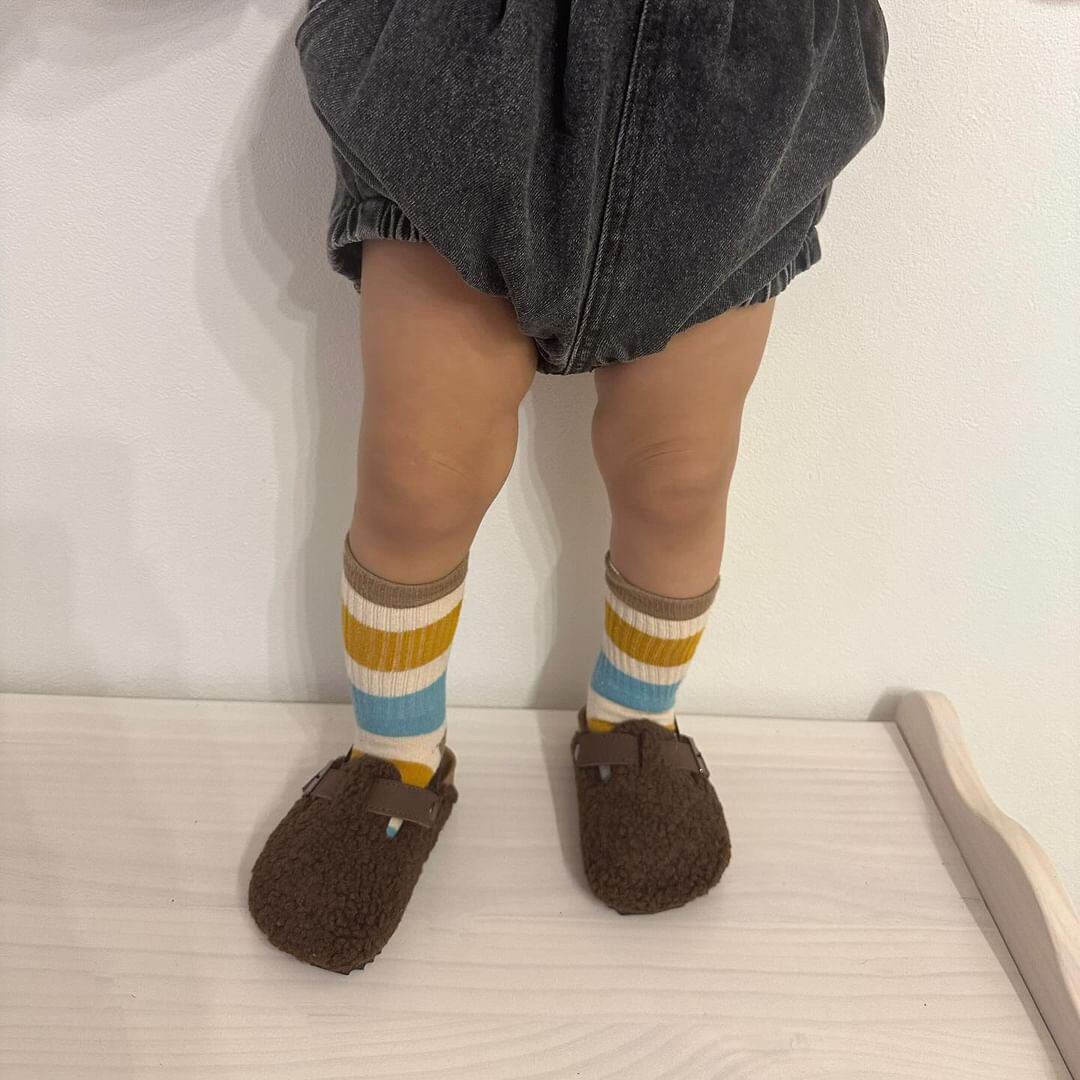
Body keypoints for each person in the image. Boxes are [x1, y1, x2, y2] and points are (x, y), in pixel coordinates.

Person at [247, 0, 889, 973]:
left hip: (736, 96)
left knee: (680, 476)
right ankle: (394, 751)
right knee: (417, 480)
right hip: (467, 68)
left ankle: (636, 720)